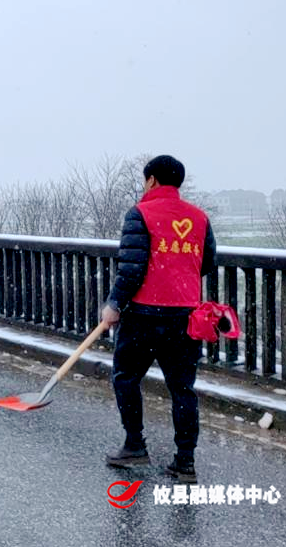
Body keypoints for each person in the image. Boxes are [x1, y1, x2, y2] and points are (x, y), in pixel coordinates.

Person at [101, 155, 216, 484]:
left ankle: (135, 445)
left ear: (151, 180)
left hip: (143, 316)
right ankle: (185, 461)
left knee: (126, 378)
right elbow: (207, 262)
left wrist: (114, 305)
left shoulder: (140, 214)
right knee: (182, 390)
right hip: (185, 317)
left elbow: (131, 269)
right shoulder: (199, 217)